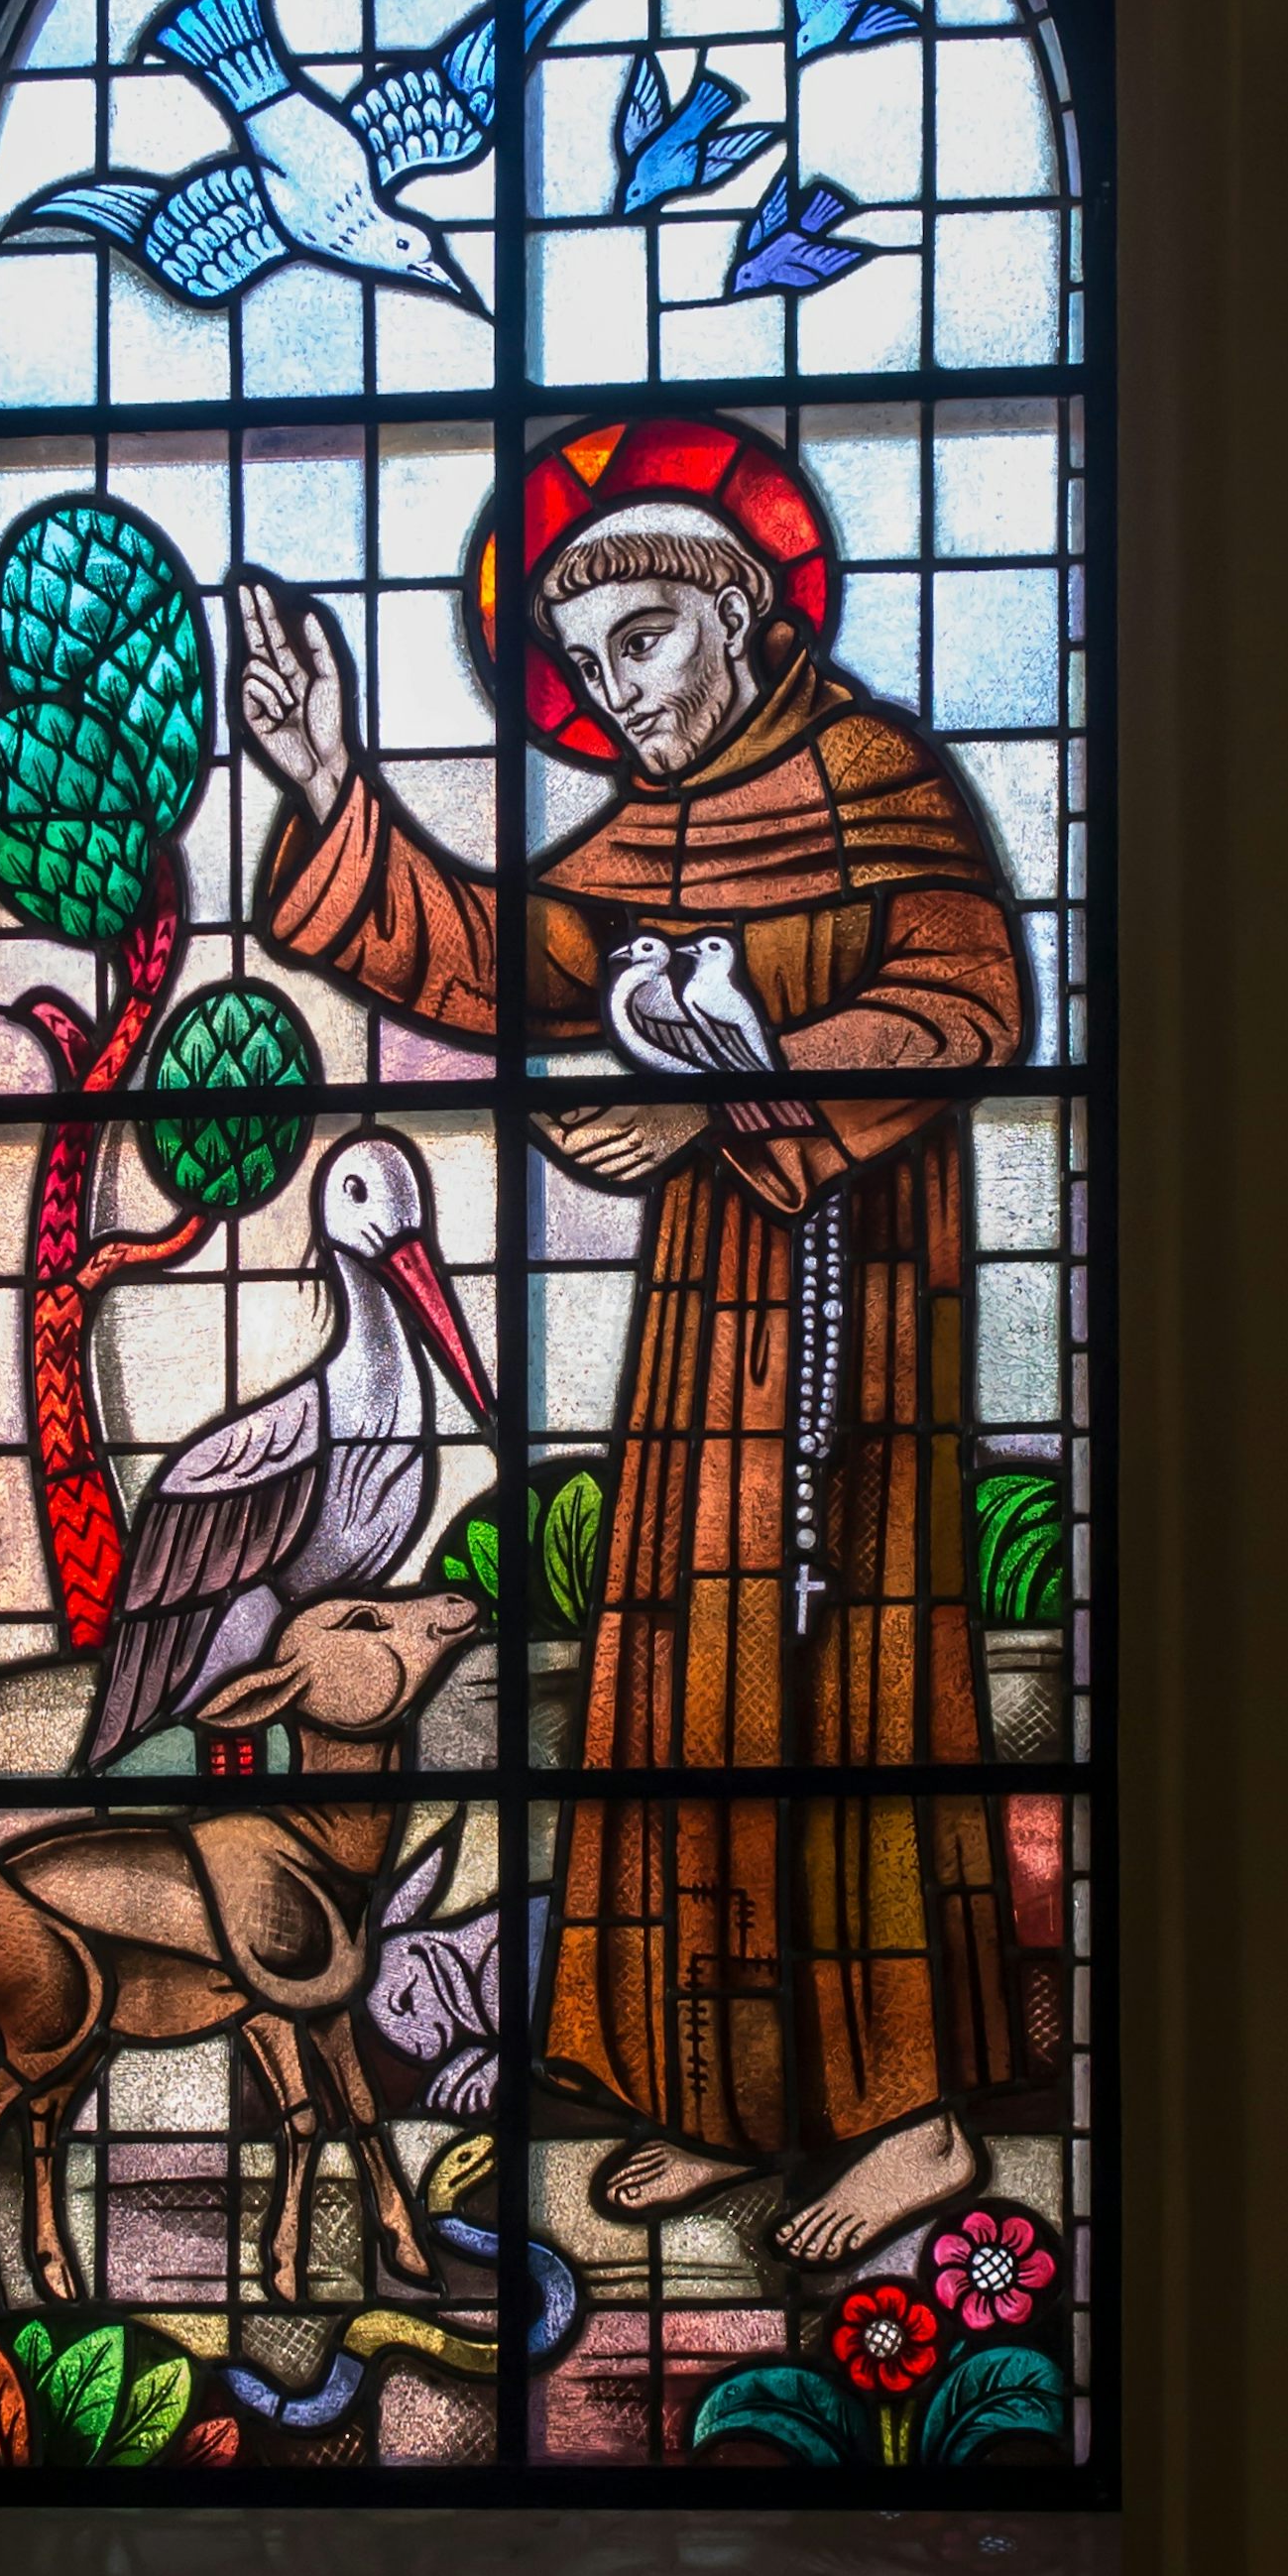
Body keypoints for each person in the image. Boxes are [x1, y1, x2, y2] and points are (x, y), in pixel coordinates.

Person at [235, 480, 1029, 2265]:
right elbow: (514, 954)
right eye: (592, 668)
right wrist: (334, 796)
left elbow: (971, 1002)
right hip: (703, 1331)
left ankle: (904, 2117)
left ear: (746, 612)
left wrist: (717, 1094)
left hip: (860, 1312)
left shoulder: (880, 781)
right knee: (691, 1666)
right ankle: (724, 2096)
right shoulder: (660, 830)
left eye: (649, 642)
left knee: (858, 1686)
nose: (627, 696)